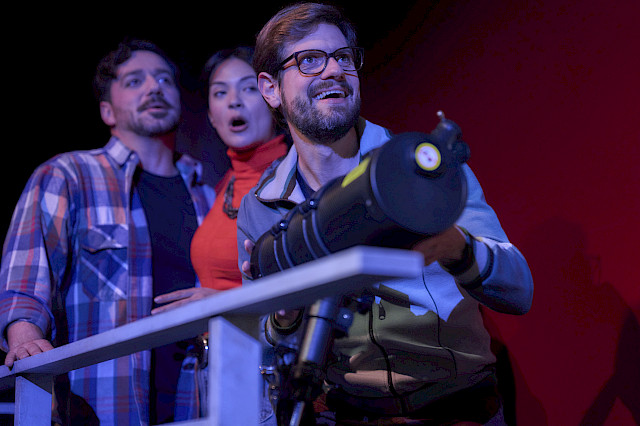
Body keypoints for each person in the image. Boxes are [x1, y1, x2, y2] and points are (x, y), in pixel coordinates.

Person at [236, 3, 534, 425]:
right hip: (350, 414)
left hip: (459, 409)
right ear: (270, 89)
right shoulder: (261, 207)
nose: (334, 70)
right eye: (310, 60)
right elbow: (264, 347)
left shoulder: (421, 167)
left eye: (343, 57)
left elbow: (519, 291)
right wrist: (285, 318)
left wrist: (459, 248)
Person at [0, 39, 215, 425]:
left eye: (164, 79)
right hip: (104, 405)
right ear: (107, 110)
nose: (154, 88)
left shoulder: (208, 195)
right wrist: (25, 339)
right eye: (134, 81)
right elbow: (27, 274)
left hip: (196, 403)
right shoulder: (69, 175)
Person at [152, 46, 289, 423]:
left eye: (247, 88)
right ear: (211, 116)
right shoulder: (219, 187)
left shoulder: (294, 180)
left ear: (273, 97)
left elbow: (309, 292)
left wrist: (222, 302)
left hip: (269, 368)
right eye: (220, 92)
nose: (234, 101)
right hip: (214, 368)